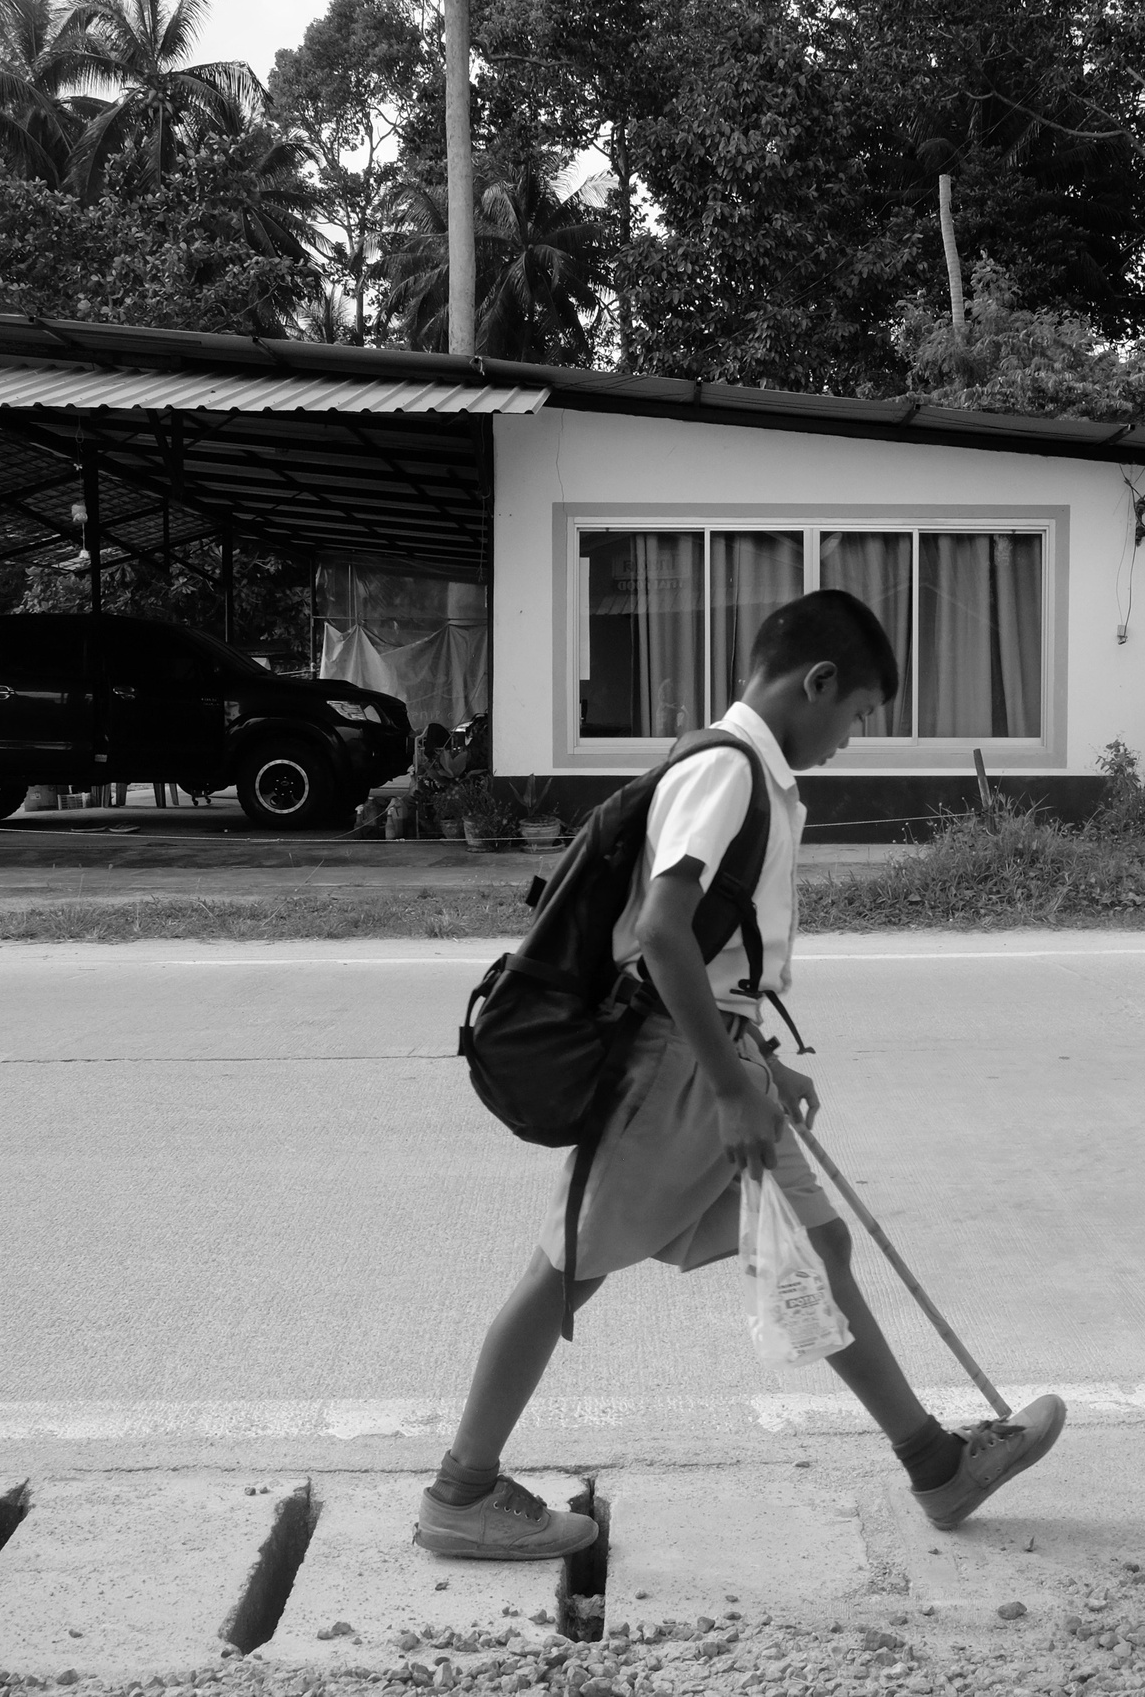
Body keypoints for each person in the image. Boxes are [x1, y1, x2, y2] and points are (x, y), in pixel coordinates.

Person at [415, 589, 1065, 1559]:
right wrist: (727, 1086)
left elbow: (711, 952)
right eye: (855, 716)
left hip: (711, 1054)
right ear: (817, 683)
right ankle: (459, 1492)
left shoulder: (739, 770)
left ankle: (937, 1467)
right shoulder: (728, 770)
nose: (850, 738)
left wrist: (754, 1058)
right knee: (564, 1271)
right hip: (673, 1074)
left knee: (816, 1249)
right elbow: (662, 933)